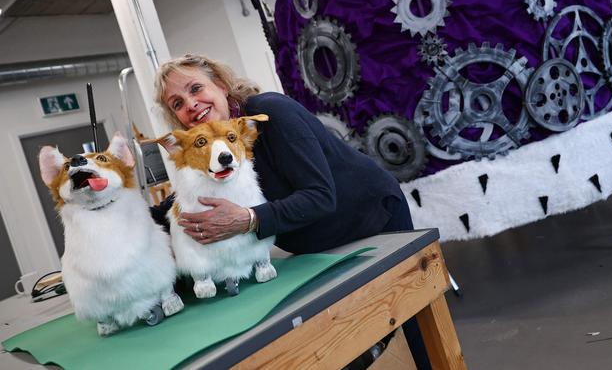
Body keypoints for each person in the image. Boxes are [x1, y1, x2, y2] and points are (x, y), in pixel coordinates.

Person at [152, 53, 431, 370]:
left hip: (371, 221)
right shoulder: (213, 149)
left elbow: (320, 196)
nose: (190, 104)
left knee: (414, 326)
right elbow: (183, 199)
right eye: (177, 103)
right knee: (344, 341)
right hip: (315, 246)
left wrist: (249, 219)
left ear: (219, 84)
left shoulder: (271, 112)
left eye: (195, 89)